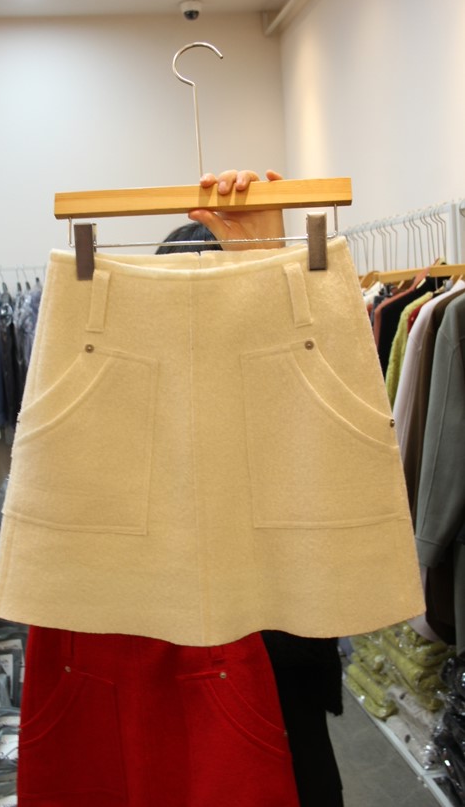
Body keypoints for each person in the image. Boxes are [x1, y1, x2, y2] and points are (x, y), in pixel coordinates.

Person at [157, 168, 345, 807]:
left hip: (279, 679)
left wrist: (266, 264)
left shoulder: (289, 396)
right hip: (167, 678)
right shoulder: (140, 409)